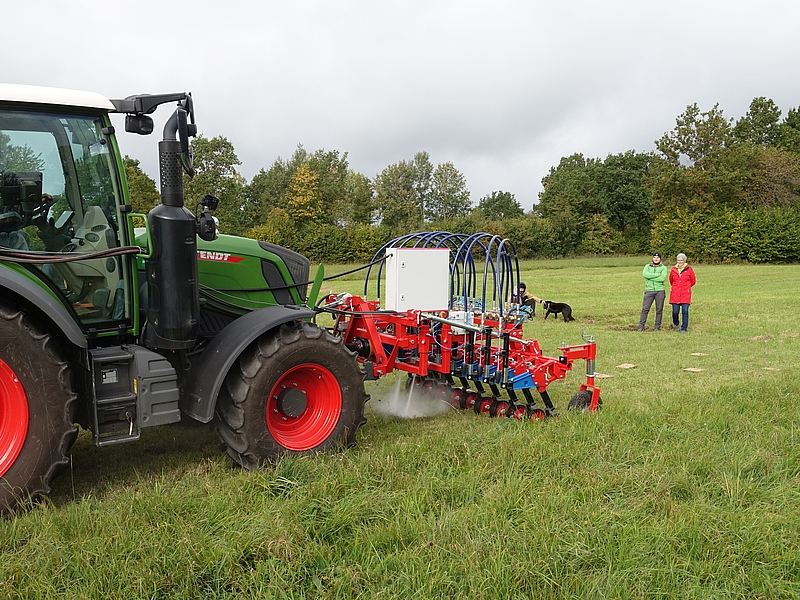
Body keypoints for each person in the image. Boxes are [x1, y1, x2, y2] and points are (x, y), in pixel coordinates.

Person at [637, 252, 667, 331]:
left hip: (660, 291)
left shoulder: (663, 268)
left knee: (659, 309)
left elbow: (662, 278)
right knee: (645, 309)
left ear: (660, 259)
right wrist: (657, 274)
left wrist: (650, 276)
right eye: (654, 257)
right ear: (652, 258)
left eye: (657, 257)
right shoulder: (647, 266)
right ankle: (641, 326)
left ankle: (657, 327)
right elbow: (645, 275)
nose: (656, 259)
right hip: (649, 291)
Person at [669, 253, 696, 333]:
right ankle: (676, 324)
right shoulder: (673, 270)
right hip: (675, 294)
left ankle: (684, 328)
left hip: (685, 294)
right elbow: (671, 280)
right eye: (678, 260)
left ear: (684, 261)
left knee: (685, 311)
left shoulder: (689, 270)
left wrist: (686, 287)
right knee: (675, 311)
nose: (680, 262)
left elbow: (693, 281)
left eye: (681, 260)